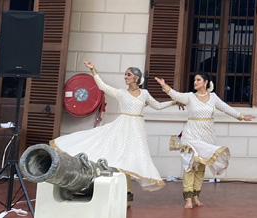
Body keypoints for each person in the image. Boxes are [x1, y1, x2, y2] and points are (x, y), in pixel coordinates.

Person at [53, 61, 175, 201]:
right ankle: (125, 194)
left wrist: (174, 102)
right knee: (120, 157)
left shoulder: (144, 94)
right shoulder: (121, 93)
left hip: (137, 130)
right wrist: (93, 70)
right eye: (125, 74)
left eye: (128, 75)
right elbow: (103, 86)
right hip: (122, 127)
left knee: (134, 157)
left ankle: (127, 195)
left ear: (136, 78)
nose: (125, 77)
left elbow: (158, 106)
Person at [155, 73, 253, 209]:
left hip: (207, 136)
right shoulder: (190, 97)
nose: (195, 82)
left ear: (206, 82)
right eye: (194, 80)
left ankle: (196, 196)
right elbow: (175, 95)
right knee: (189, 166)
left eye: (198, 80)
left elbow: (226, 108)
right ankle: (188, 198)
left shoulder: (213, 98)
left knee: (201, 167)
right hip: (191, 135)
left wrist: (241, 117)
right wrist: (164, 85)